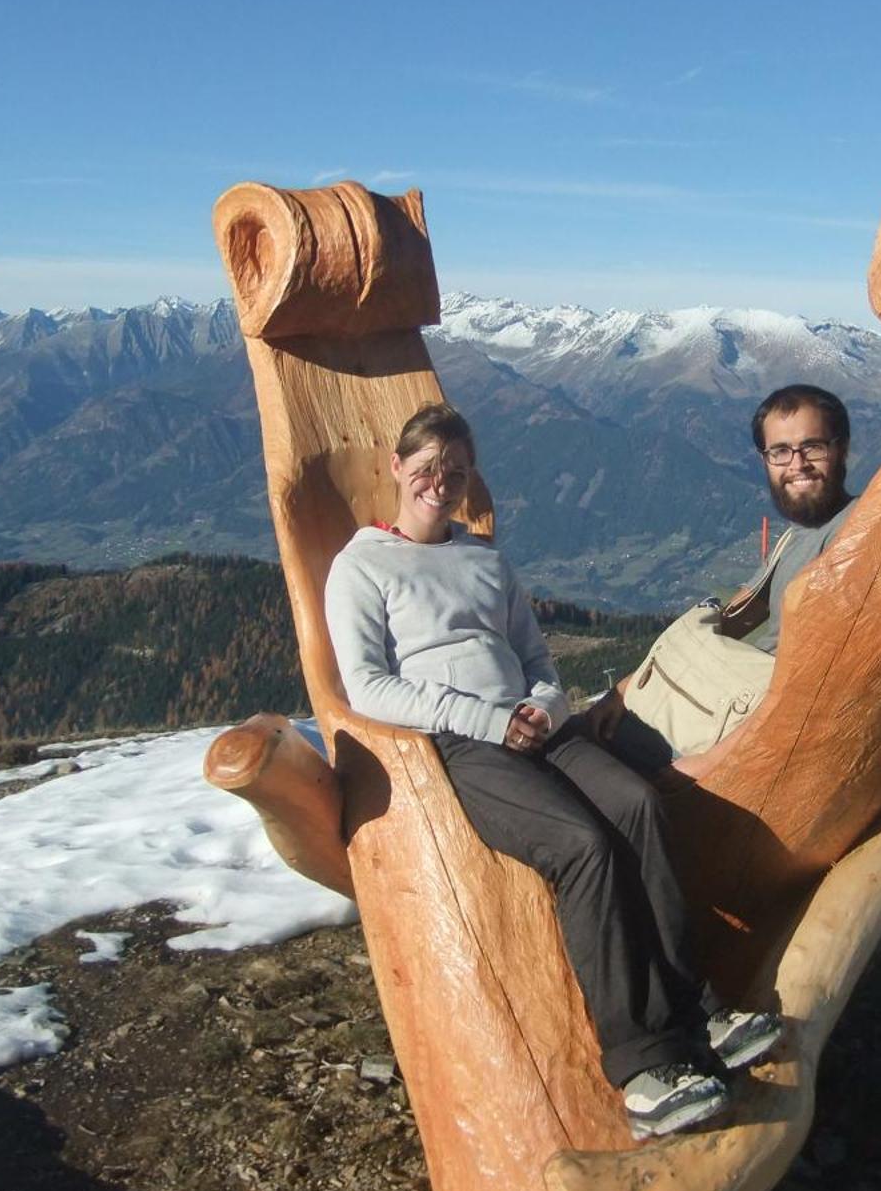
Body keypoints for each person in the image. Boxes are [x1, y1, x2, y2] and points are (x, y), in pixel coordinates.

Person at [323, 403, 780, 1140]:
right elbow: (367, 685)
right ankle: (642, 1065)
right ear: (397, 469)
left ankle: (697, 1008)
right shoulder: (362, 566)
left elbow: (537, 661)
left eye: (457, 471)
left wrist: (539, 706)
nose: (441, 482)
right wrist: (486, 720)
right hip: (463, 745)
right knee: (582, 848)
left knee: (638, 806)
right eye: (429, 468)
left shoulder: (484, 560)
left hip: (533, 727)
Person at [590, 384, 858, 773]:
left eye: (812, 447)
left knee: (569, 756)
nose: (797, 464)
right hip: (709, 711)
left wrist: (710, 764)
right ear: (765, 459)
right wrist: (624, 690)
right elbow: (734, 614)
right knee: (571, 740)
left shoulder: (853, 536)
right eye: (780, 452)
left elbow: (819, 682)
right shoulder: (796, 535)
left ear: (842, 448)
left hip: (734, 737)